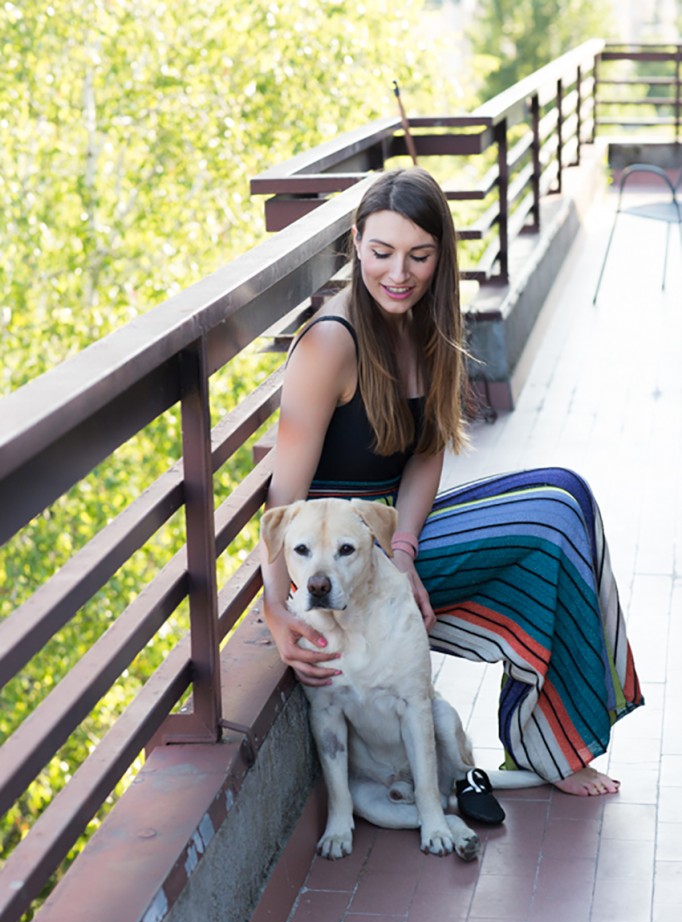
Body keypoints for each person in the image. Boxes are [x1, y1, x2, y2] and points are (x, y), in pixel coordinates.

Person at [261, 166, 643, 799]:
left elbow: (425, 455)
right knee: (547, 525)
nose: (398, 273)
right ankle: (554, 751)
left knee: (564, 493)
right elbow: (284, 502)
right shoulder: (331, 342)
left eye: (419, 256)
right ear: (356, 243)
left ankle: (550, 740)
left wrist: (405, 552)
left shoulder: (426, 327)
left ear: (441, 256)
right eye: (381, 253)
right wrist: (278, 610)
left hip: (394, 541)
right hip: (343, 558)